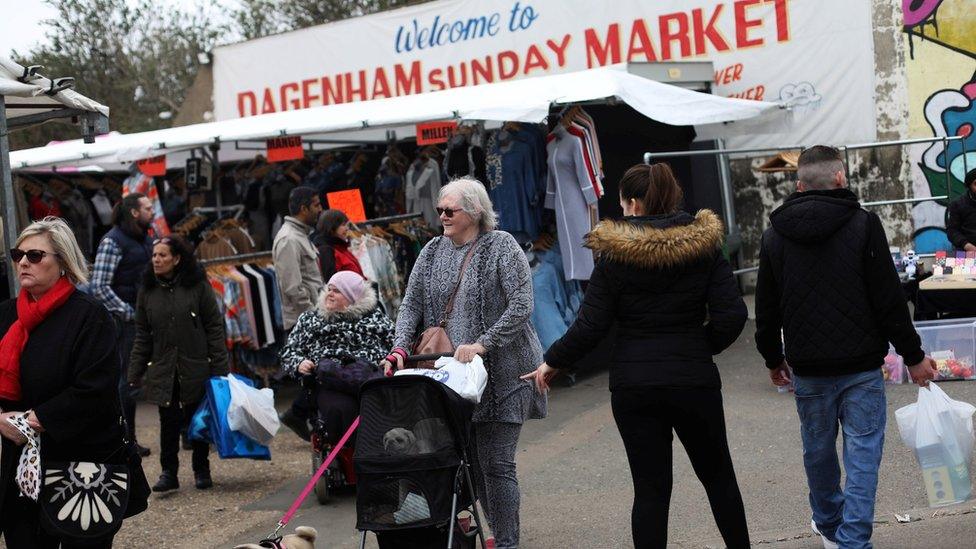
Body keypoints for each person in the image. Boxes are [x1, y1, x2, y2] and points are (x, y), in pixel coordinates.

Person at [522, 163, 751, 549]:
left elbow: (590, 326)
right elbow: (733, 315)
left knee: (650, 490)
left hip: (635, 385)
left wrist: (552, 362)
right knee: (718, 478)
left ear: (631, 203)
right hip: (693, 379)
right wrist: (698, 347)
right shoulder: (703, 246)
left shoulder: (615, 256)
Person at [754, 145, 939, 549]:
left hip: (807, 365)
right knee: (862, 455)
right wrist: (914, 356)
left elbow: (765, 307)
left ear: (799, 185)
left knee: (817, 449)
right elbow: (888, 299)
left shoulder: (774, 235)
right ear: (841, 178)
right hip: (861, 364)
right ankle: (854, 539)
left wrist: (772, 358)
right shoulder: (863, 224)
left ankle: (827, 522)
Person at [383, 177, 545, 549]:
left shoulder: (501, 246)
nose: (442, 215)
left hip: (505, 373)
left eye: (449, 210)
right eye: (439, 209)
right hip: (455, 379)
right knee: (471, 465)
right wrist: (398, 348)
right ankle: (492, 533)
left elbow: (522, 305)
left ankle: (506, 542)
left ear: (474, 211)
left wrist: (483, 344)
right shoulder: (431, 251)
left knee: (497, 464)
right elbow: (411, 304)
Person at [0, 217, 147, 548]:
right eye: (17, 254)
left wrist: (30, 421)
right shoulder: (7, 315)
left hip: (82, 466)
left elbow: (95, 389)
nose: (23, 262)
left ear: (63, 262)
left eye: (35, 255)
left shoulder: (90, 316)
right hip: (21, 471)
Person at [128, 236, 228, 492]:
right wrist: (135, 371)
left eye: (162, 255)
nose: (156, 260)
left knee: (198, 420)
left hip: (195, 364)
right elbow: (142, 334)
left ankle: (201, 469)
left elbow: (214, 326)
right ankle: (168, 472)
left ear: (177, 258)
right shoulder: (147, 290)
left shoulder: (197, 286)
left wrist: (219, 367)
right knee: (168, 422)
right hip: (163, 368)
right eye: (154, 255)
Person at [279, 271, 393, 445]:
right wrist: (299, 363)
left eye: (337, 291)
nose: (329, 294)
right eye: (329, 289)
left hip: (369, 381)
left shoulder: (377, 320)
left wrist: (390, 358)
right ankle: (351, 460)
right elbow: (289, 351)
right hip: (330, 382)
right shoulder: (311, 319)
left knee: (382, 408)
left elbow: (397, 345)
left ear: (353, 297)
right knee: (341, 409)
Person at [91, 192, 155, 457]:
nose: (152, 211)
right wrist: (128, 312)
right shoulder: (113, 242)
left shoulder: (145, 239)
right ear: (134, 212)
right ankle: (126, 439)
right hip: (125, 324)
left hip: (145, 319)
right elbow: (99, 286)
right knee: (127, 381)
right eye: (148, 208)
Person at [273, 186, 324, 440]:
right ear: (303, 208)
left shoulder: (300, 235)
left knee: (316, 374)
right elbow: (292, 286)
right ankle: (299, 413)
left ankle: (304, 416)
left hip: (311, 315)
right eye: (316, 205)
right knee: (312, 374)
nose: (320, 209)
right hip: (303, 320)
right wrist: (312, 316)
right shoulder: (289, 239)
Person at [315, 209, 363, 281]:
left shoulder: (341, 247)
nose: (347, 229)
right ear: (331, 228)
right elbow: (332, 283)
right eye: (343, 225)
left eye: (347, 225)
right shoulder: (327, 251)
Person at [945, 168, 976, 251]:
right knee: (944, 261)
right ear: (969, 186)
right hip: (967, 251)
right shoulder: (957, 204)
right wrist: (966, 245)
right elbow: (952, 231)